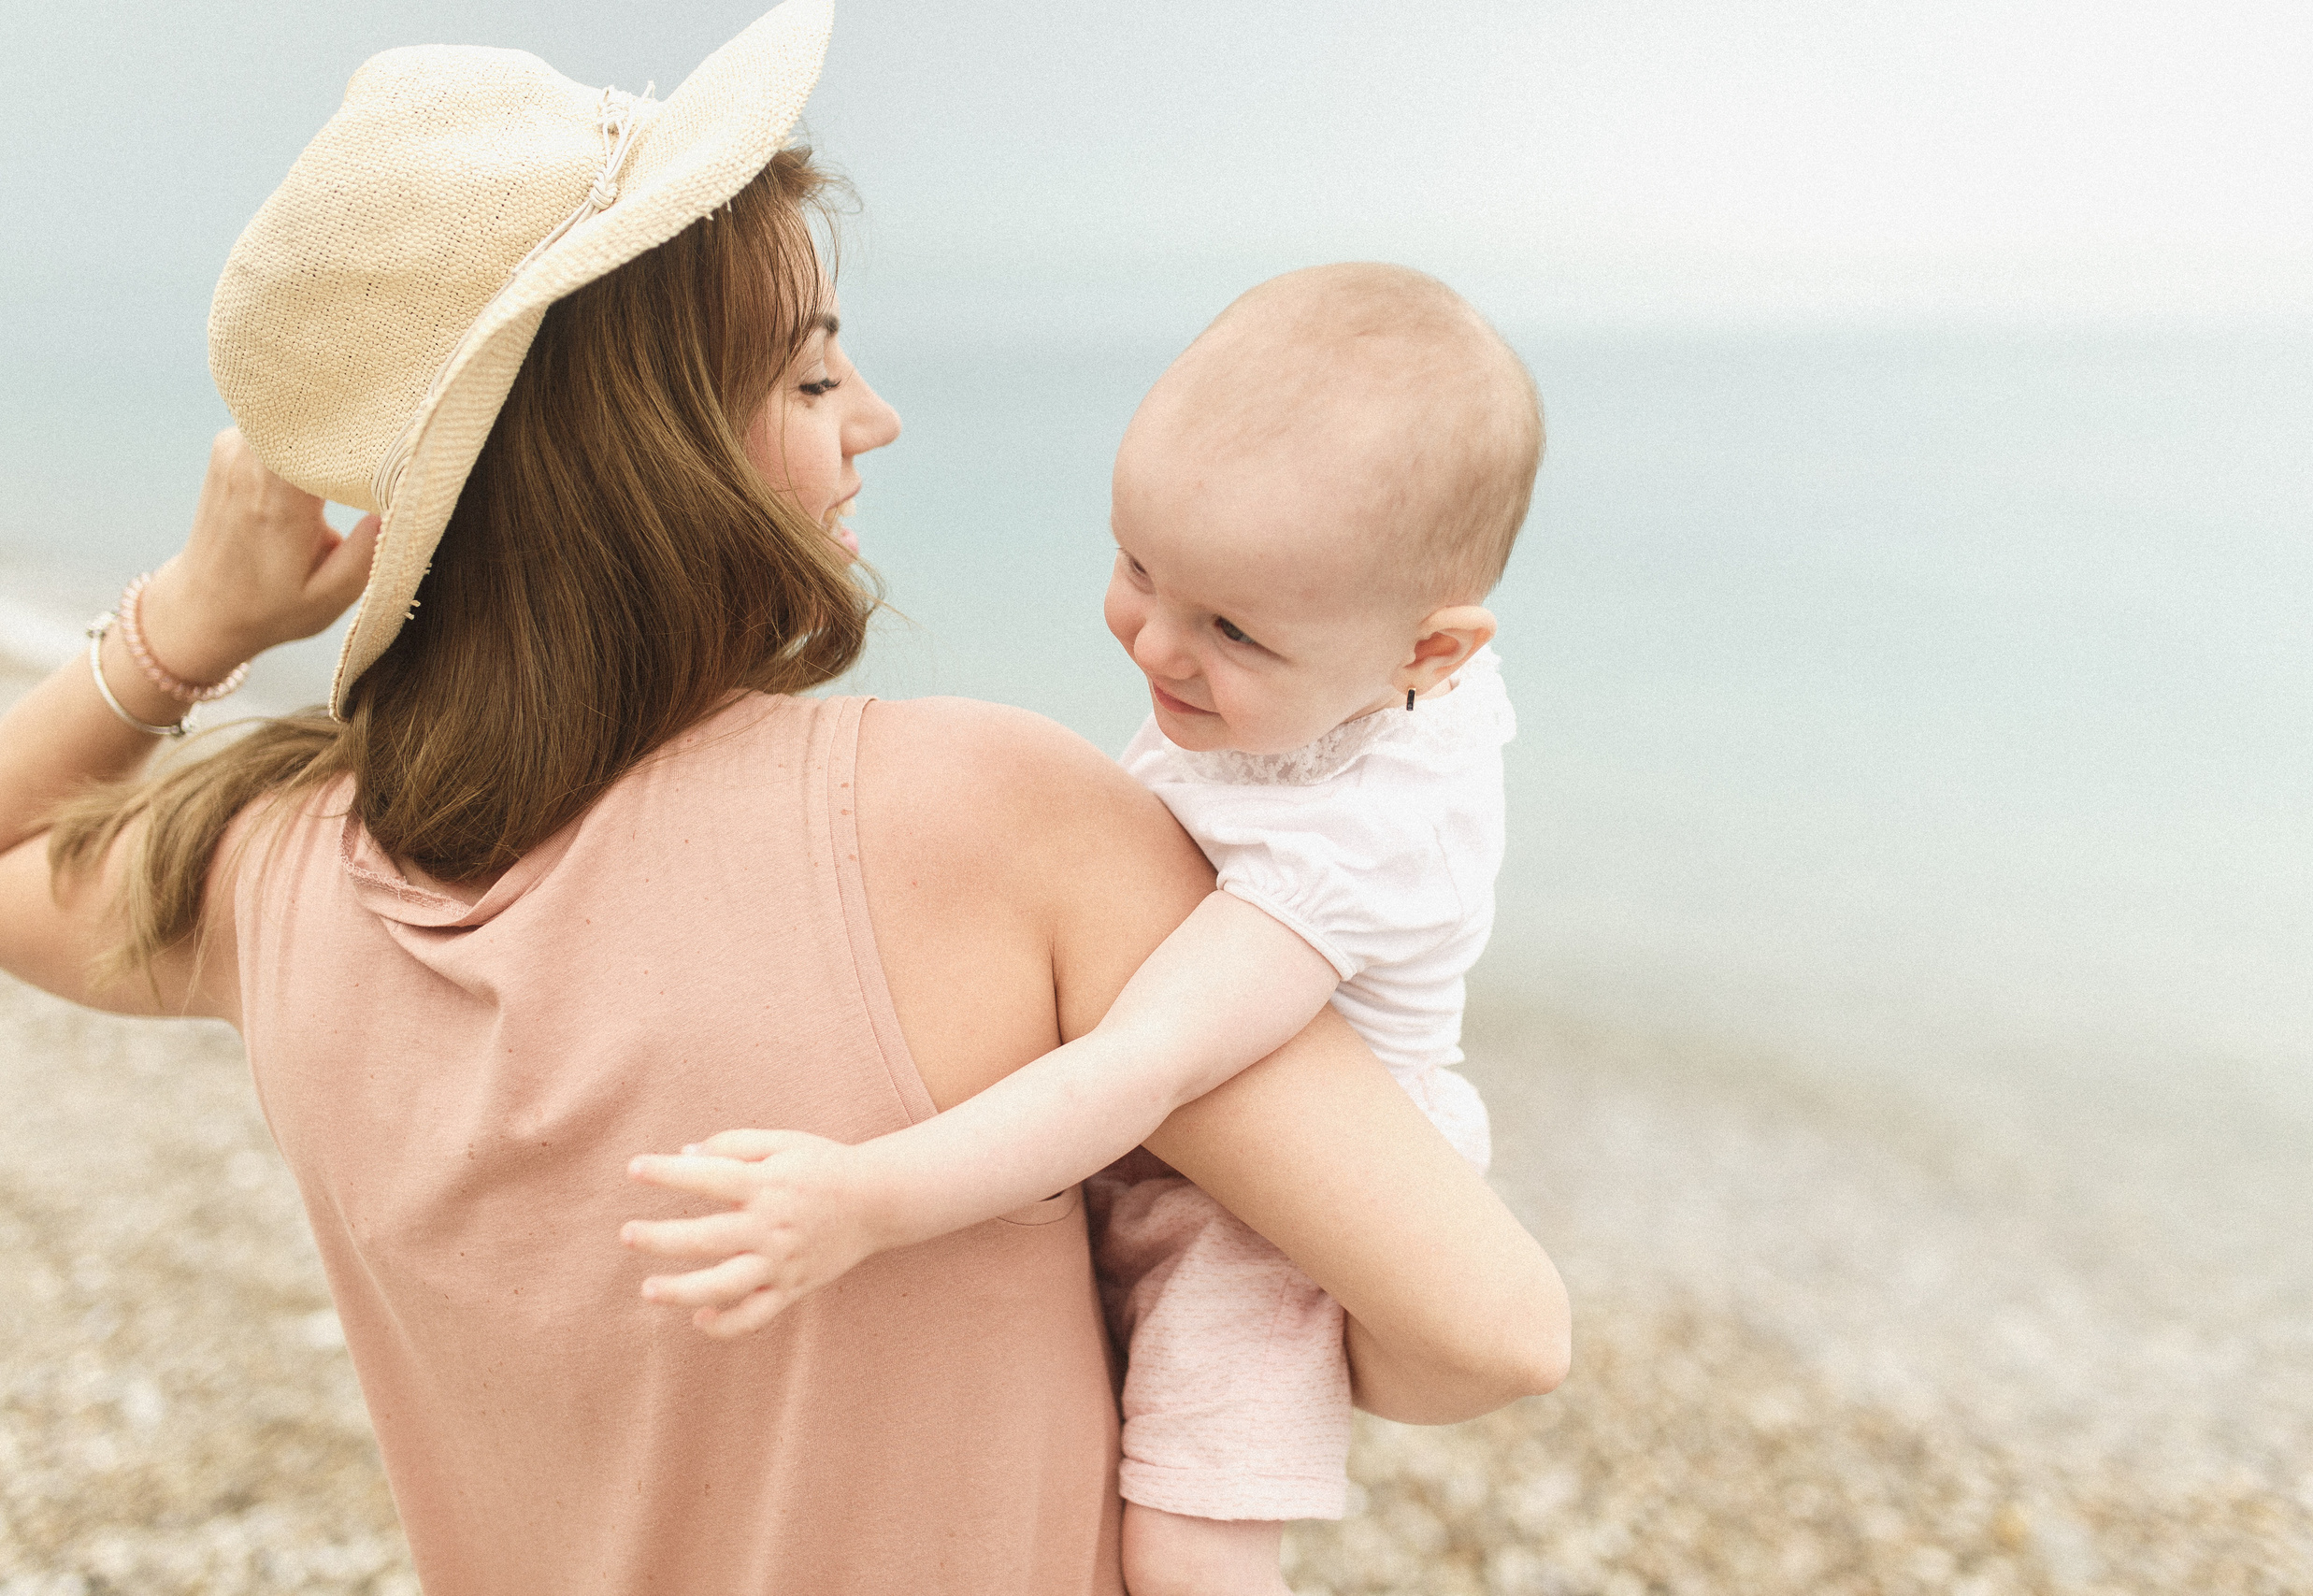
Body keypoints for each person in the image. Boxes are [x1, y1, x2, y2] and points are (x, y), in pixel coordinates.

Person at [0, 7, 1570, 1594]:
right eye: (816, 373)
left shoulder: (276, 874)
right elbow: (1492, 1330)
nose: (874, 414)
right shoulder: (990, 819)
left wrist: (190, 628)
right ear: (657, 450)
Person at [626, 262, 1541, 1596]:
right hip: (1160, 1140)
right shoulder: (1351, 654)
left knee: (1184, 1545)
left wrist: (866, 1198)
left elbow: (1148, 1066)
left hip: (1270, 1212)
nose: (1155, 645)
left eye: (1231, 628)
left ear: (1432, 656)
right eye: (1137, 567)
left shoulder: (1358, 842)